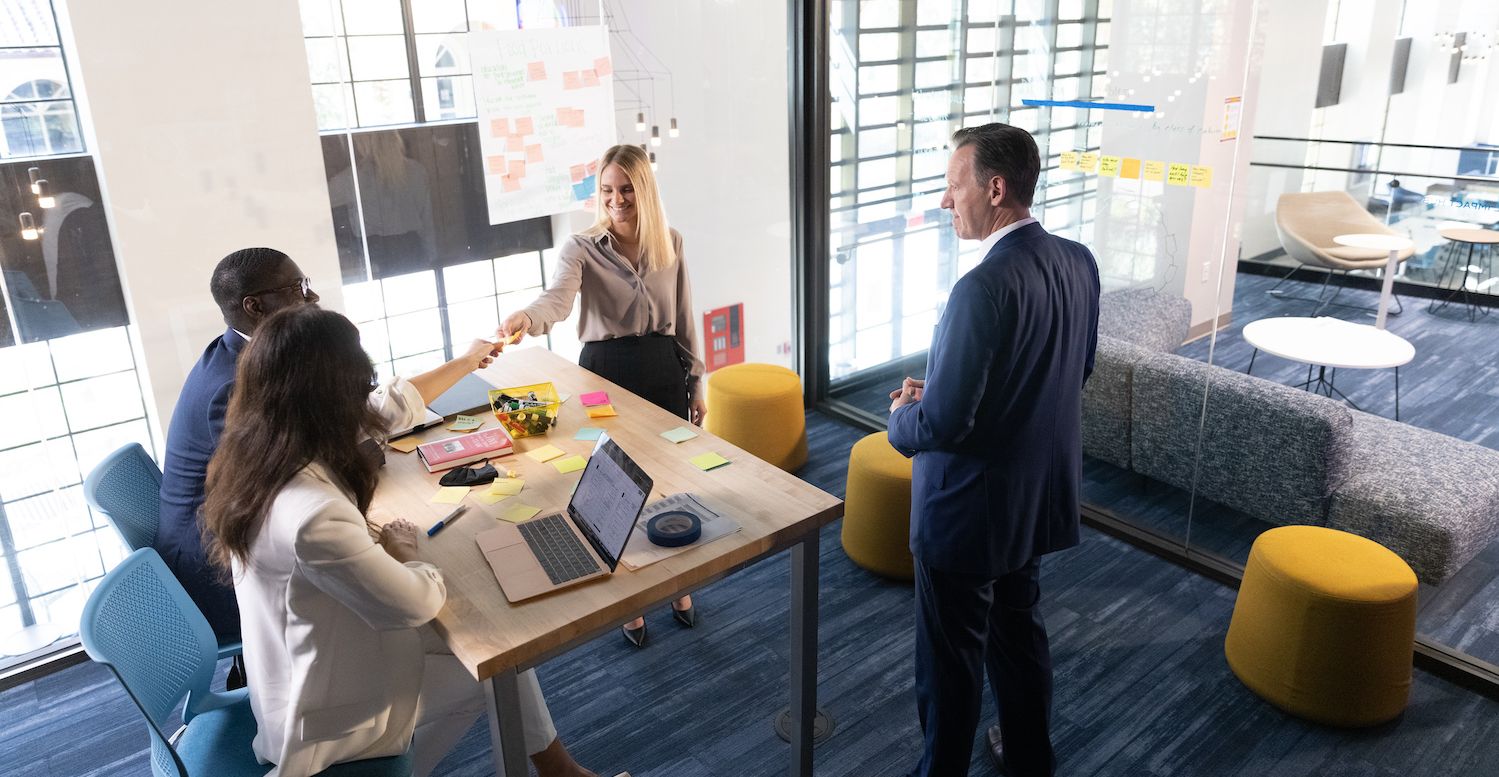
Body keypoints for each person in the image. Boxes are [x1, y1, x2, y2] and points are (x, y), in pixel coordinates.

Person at [201, 306, 599, 777]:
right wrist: (406, 555)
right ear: (331, 395)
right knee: (491, 669)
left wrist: (469, 360)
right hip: (325, 717)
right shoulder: (312, 514)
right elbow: (414, 604)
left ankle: (562, 772)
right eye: (358, 383)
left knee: (490, 656)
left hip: (302, 663)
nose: (366, 393)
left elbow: (392, 405)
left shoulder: (258, 452)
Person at [156, 246, 500, 687]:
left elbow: (361, 416)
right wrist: (364, 459)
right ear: (255, 306)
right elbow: (320, 459)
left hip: (248, 545)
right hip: (221, 568)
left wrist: (465, 363)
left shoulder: (260, 361)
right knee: (460, 604)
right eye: (298, 288)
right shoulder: (233, 386)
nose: (312, 295)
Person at [887, 123, 1100, 777]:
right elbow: (1071, 370)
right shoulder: (1077, 261)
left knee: (950, 664)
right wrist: (949, 391)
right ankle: (1031, 756)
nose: (947, 203)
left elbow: (944, 424)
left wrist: (901, 417)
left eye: (955, 188)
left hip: (967, 516)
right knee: (1016, 634)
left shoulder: (980, 288)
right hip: (1032, 501)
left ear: (996, 187)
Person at [500, 144, 703, 648]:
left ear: (645, 191)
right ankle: (629, 604)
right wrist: (527, 318)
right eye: (608, 190)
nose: (617, 199)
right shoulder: (581, 247)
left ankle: (676, 583)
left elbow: (685, 316)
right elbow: (557, 301)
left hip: (662, 370)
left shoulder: (671, 243)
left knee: (669, 481)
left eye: (627, 189)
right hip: (605, 374)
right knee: (612, 490)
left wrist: (697, 381)